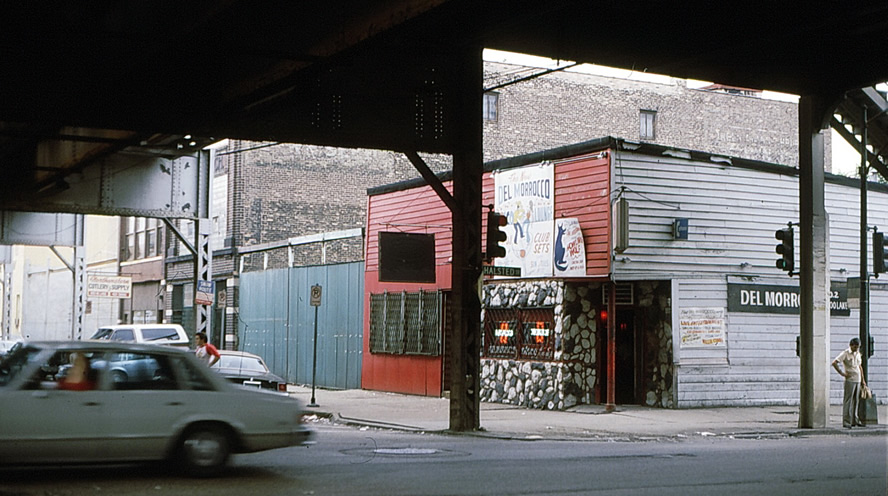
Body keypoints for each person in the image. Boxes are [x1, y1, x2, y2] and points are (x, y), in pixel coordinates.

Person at [832, 337, 867, 428]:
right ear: (851, 345)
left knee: (856, 400)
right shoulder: (845, 353)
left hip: (858, 379)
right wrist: (842, 373)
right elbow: (834, 362)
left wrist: (863, 380)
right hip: (850, 379)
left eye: (858, 347)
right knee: (848, 400)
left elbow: (860, 367)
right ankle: (846, 421)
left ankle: (854, 420)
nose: (856, 349)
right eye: (855, 347)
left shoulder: (858, 354)